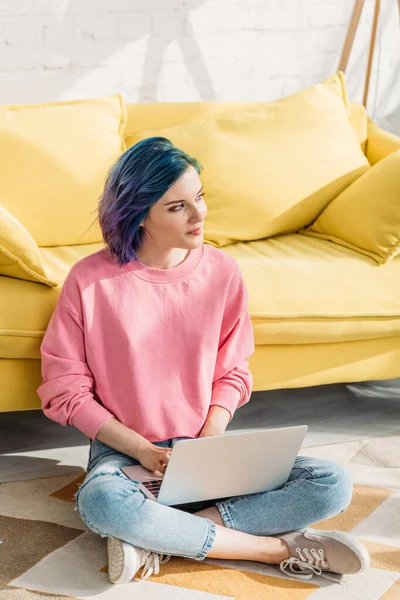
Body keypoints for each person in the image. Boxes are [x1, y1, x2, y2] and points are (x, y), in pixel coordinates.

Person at [37, 137, 370, 586]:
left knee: (331, 482)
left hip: (207, 447)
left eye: (199, 197)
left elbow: (233, 371)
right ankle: (272, 550)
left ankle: (158, 536)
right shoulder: (90, 280)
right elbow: (66, 390)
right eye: (177, 207)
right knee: (104, 503)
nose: (199, 215)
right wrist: (145, 452)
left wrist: (208, 442)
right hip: (125, 451)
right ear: (139, 213)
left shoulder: (222, 273)